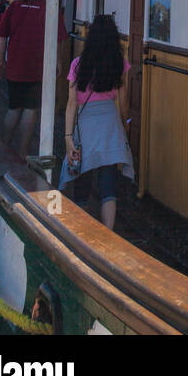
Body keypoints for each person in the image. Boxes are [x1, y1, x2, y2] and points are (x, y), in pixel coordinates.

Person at [60, 14, 133, 230]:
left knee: (82, 173)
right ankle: (108, 234)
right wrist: (125, 124)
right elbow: (123, 102)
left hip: (86, 123)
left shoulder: (77, 64)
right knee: (108, 178)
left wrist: (68, 138)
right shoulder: (119, 63)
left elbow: (71, 103)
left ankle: (80, 233)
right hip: (110, 122)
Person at [0, 0, 68, 158]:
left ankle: (4, 146)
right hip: (38, 66)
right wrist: (58, 62)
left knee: (14, 107)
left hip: (15, 64)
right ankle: (23, 151)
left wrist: (0, 61)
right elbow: (58, 39)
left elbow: (2, 34)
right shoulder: (50, 8)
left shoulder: (15, 6)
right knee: (30, 109)